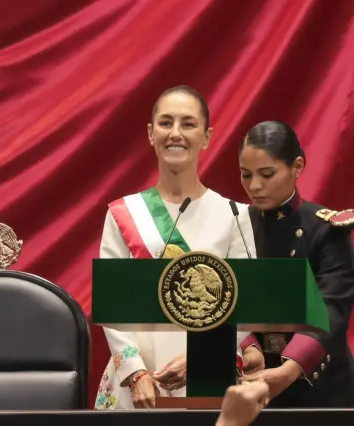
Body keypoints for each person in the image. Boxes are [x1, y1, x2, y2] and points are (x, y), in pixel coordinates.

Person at [94, 85, 256, 410]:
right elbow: (111, 306)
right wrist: (136, 373)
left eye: (188, 123)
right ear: (151, 134)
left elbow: (247, 304)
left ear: (207, 136)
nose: (176, 133)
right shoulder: (122, 214)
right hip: (136, 386)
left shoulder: (236, 215)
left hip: (207, 379)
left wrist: (201, 357)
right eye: (166, 123)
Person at [236, 120, 354, 408]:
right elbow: (227, 299)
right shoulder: (237, 225)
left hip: (321, 389)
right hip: (252, 382)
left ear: (297, 166)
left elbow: (332, 307)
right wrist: (248, 347)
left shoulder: (325, 228)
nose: (254, 186)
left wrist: (290, 367)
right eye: (246, 175)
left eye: (267, 174)